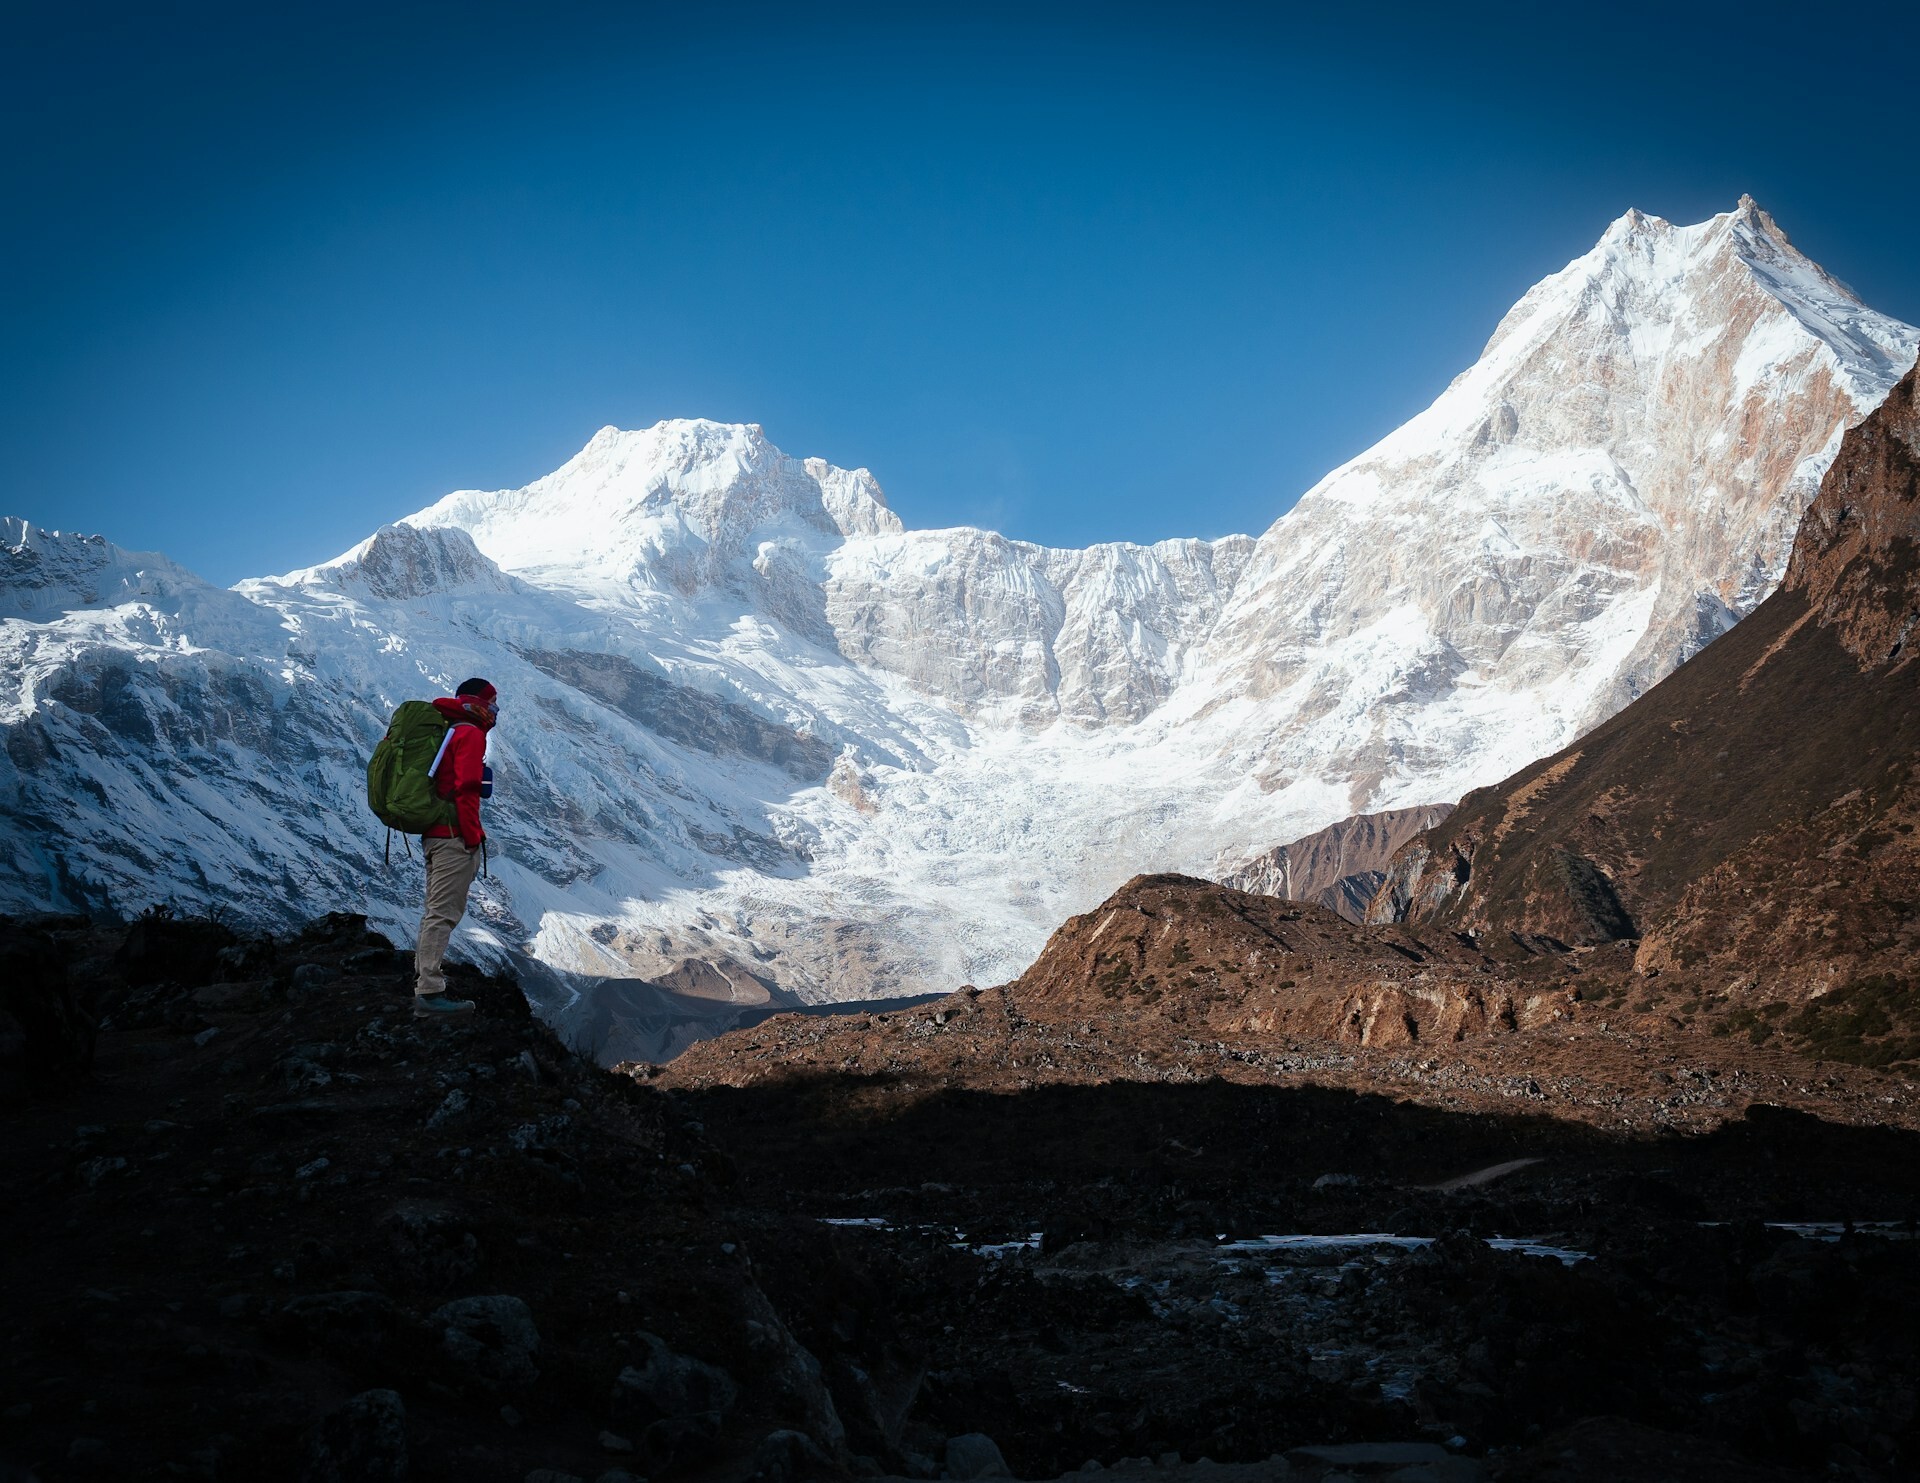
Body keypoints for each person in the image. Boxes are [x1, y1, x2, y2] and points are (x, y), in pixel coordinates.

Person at [413, 677, 498, 1018]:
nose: (494, 709)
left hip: (434, 833)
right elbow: (466, 787)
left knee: (434, 911)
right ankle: (429, 994)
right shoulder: (470, 734)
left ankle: (425, 983)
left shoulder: (448, 728)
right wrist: (472, 835)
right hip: (452, 837)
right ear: (479, 702)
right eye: (492, 702)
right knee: (443, 914)